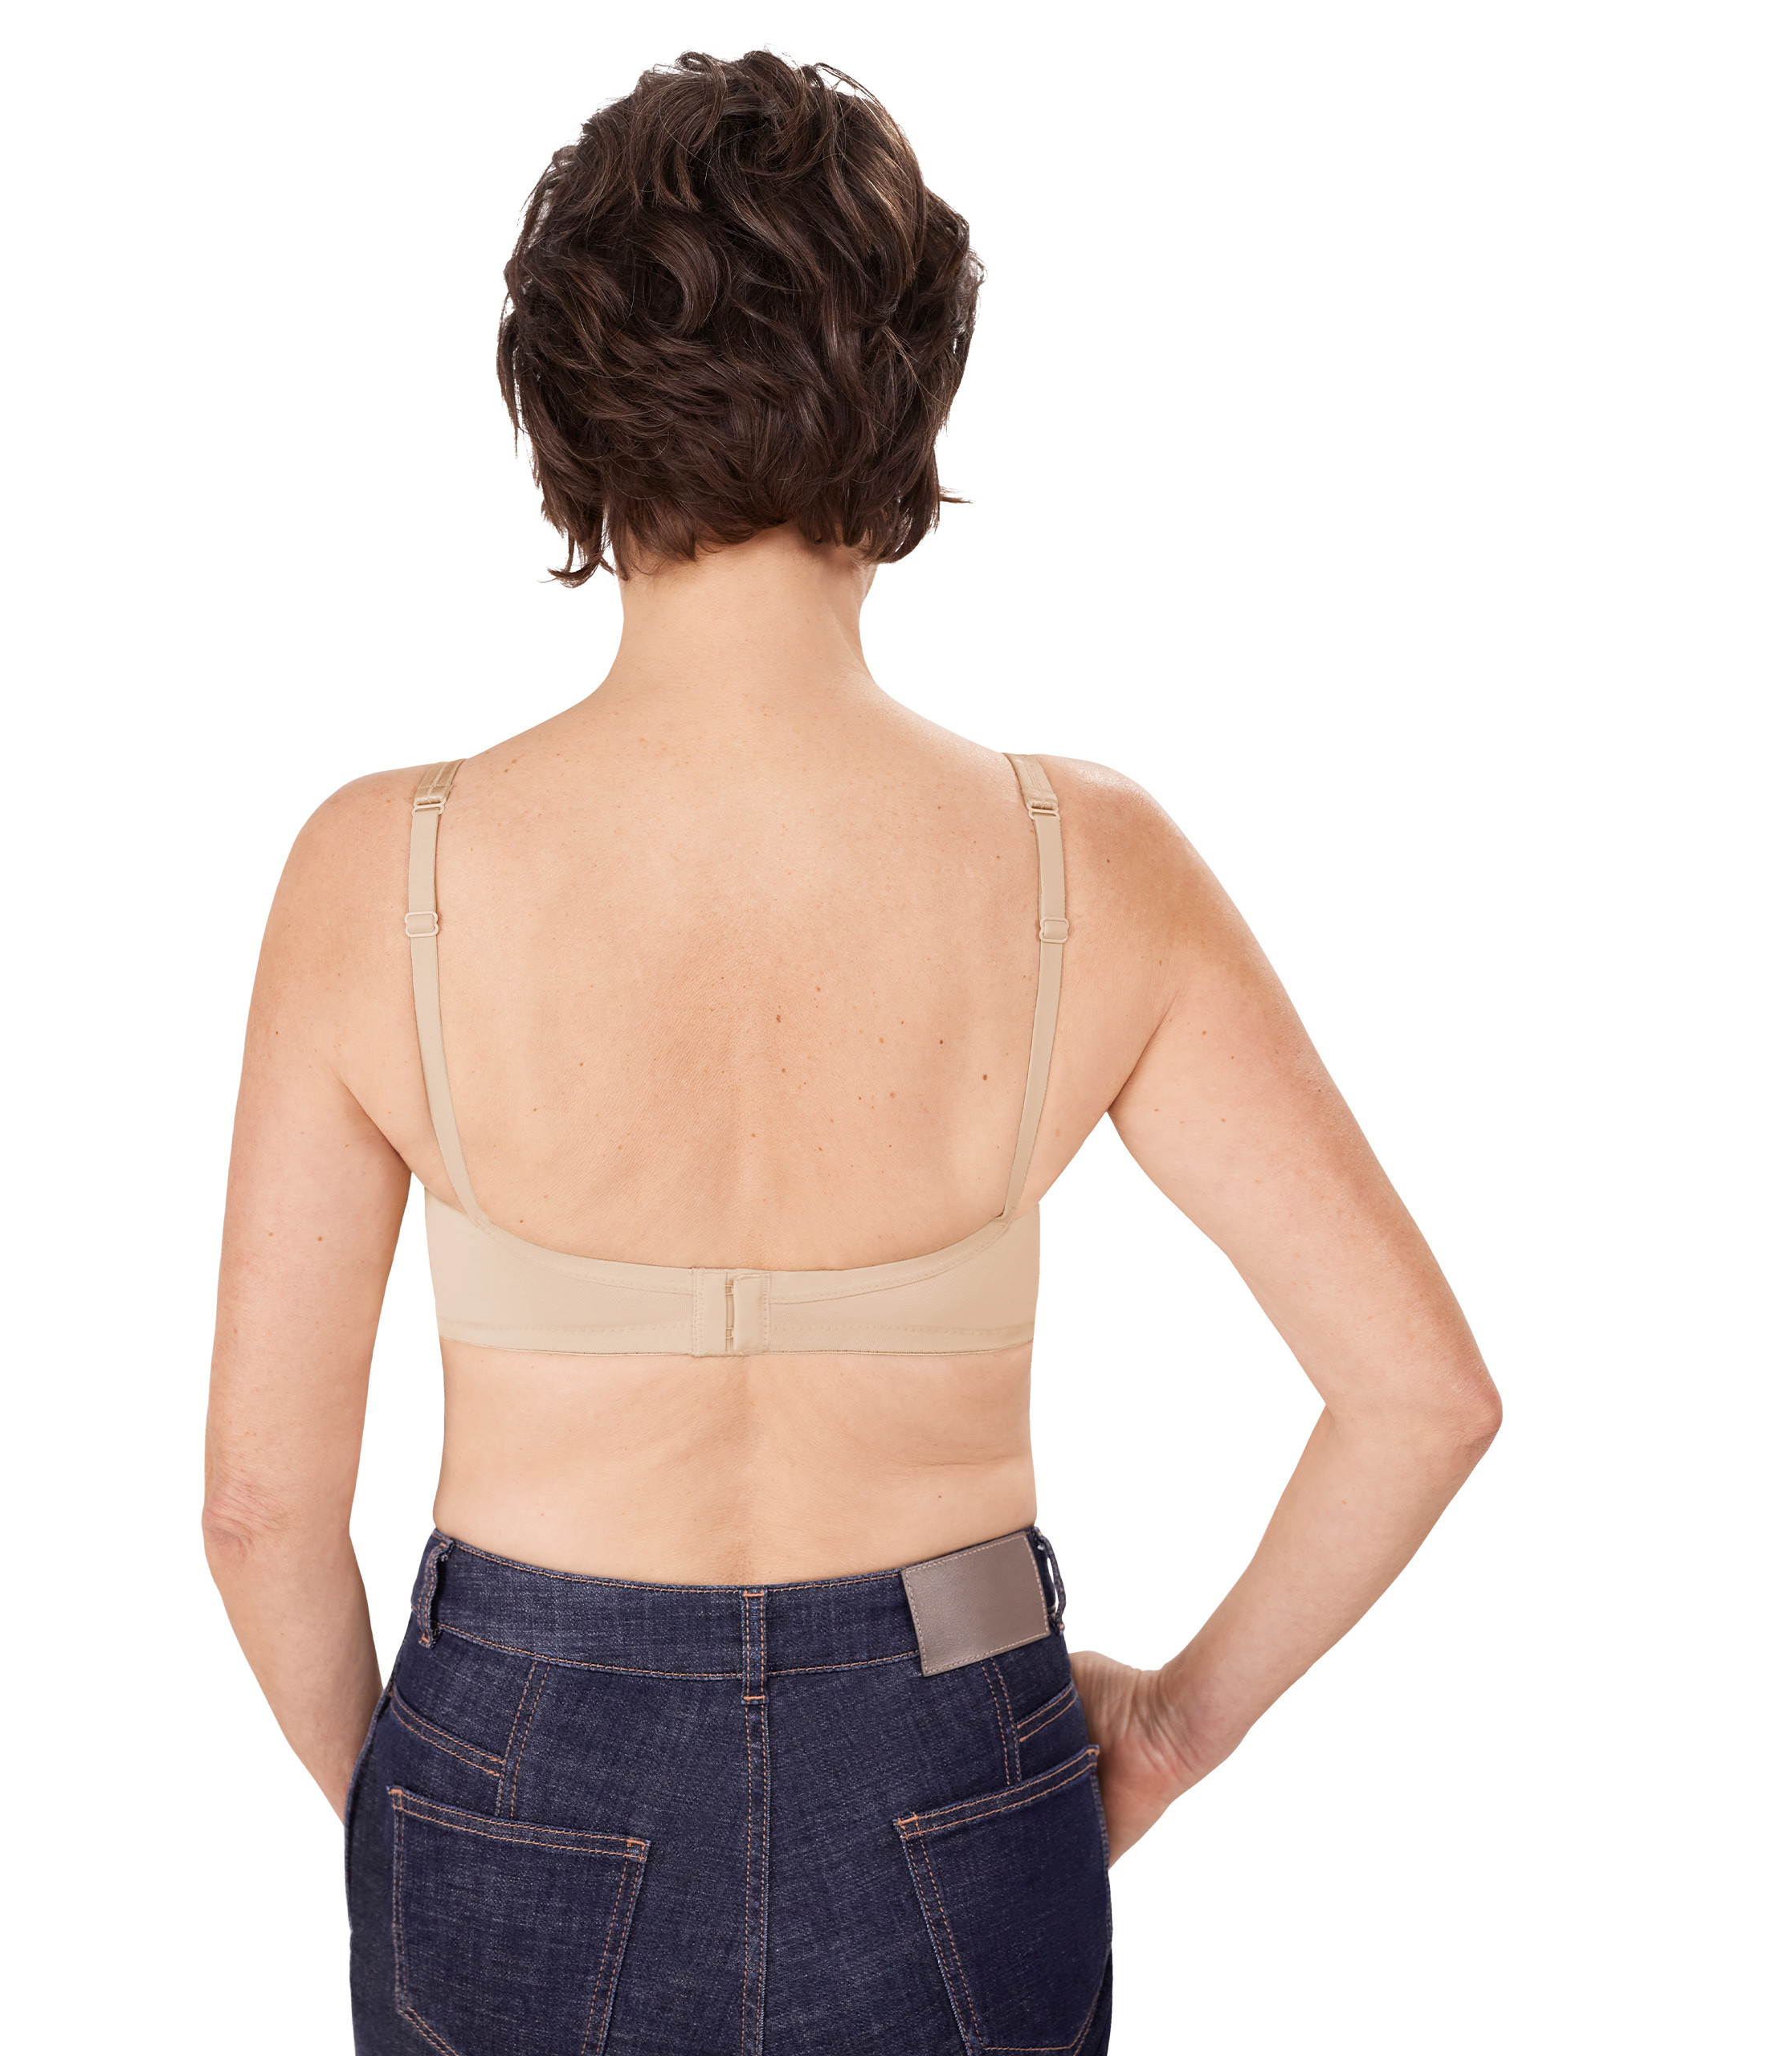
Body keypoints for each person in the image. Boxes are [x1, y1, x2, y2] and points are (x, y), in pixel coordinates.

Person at [202, 50, 1500, 2055]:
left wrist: (436, 1820)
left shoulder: (386, 867)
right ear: (909, 394)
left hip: (513, 1741)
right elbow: (1418, 1396)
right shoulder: (1086, 865)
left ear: (561, 404)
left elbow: (259, 1512)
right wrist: (1167, 1727)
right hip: (952, 1733)